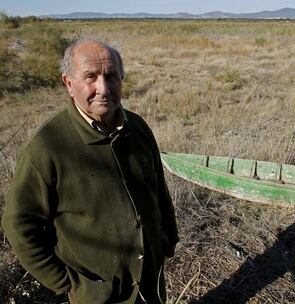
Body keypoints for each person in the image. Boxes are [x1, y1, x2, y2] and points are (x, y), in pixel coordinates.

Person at [1, 38, 179, 304]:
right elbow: (18, 225)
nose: (103, 88)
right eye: (90, 77)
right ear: (69, 83)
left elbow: (158, 190)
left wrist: (167, 238)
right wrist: (69, 284)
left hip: (150, 281)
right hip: (98, 294)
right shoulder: (48, 146)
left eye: (111, 76)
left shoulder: (137, 128)